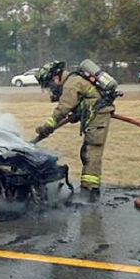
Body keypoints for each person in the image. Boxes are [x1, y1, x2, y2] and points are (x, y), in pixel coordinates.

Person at [34, 59, 116, 200]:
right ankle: (88, 189)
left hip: (98, 117)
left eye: (50, 84)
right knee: (87, 152)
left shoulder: (71, 84)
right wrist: (77, 114)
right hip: (95, 116)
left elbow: (62, 109)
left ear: (55, 77)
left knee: (91, 153)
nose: (51, 88)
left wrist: (47, 127)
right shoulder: (73, 80)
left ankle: (89, 192)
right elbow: (87, 99)